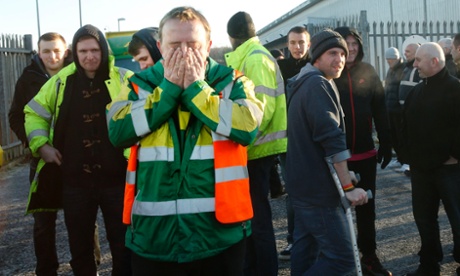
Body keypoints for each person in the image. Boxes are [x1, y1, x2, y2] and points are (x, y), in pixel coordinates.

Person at [106, 6, 264, 275]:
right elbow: (118, 132)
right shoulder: (138, 84)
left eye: (192, 44)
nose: (183, 52)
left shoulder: (232, 81)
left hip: (218, 238)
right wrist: (167, 91)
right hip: (154, 238)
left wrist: (196, 90)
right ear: (160, 45)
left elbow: (248, 127)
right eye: (174, 44)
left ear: (209, 45)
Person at [24, 24, 133, 276]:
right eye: (83, 51)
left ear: (103, 50)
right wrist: (42, 146)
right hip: (75, 181)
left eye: (95, 50)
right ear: (75, 52)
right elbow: (33, 113)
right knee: (79, 247)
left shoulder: (124, 78)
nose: (89, 56)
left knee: (123, 244)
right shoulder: (61, 81)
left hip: (117, 179)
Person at [285, 28, 368, 275]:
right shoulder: (317, 85)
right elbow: (331, 138)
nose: (340, 59)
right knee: (344, 262)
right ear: (317, 56)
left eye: (342, 54)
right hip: (318, 191)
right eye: (333, 53)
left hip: (302, 187)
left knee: (305, 251)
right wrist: (349, 188)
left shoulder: (304, 83)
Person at [226, 11, 287, 276]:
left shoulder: (255, 59)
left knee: (258, 221)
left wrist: (242, 140)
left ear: (231, 37)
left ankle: (265, 270)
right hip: (253, 150)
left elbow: (262, 110)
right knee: (249, 219)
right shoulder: (253, 56)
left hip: (256, 150)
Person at [8, 32, 71, 275]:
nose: (52, 56)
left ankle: (88, 265)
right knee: (44, 222)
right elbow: (15, 116)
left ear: (65, 52)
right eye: (46, 51)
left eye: (57, 50)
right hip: (42, 160)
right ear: (38, 52)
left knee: (82, 218)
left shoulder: (78, 75)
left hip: (75, 158)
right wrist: (36, 144)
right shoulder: (28, 79)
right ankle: (46, 270)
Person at [334, 26, 392, 276]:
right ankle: (342, 261)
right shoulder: (330, 74)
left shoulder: (368, 71)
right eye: (347, 43)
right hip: (337, 159)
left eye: (355, 42)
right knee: (337, 212)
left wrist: (387, 142)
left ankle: (369, 258)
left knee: (367, 211)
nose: (353, 47)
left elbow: (380, 109)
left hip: (365, 153)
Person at [402, 42, 460, 276]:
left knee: (458, 219)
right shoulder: (417, 91)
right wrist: (409, 157)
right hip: (421, 171)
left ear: (434, 62)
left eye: (418, 60)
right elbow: (406, 126)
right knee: (424, 219)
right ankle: (428, 265)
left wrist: (454, 157)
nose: (414, 64)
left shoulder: (456, 89)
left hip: (450, 170)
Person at [276, 25, 311, 261]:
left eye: (301, 42)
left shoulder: (315, 67)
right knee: (294, 193)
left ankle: (315, 239)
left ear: (308, 44)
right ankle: (293, 240)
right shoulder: (279, 68)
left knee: (316, 191)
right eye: (293, 43)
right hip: (288, 141)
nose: (297, 47)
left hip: (311, 139)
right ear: (287, 45)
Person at [398, 42, 422, 175]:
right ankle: (410, 164)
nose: (405, 53)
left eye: (408, 51)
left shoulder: (417, 70)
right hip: (404, 111)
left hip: (413, 112)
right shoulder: (407, 68)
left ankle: (413, 166)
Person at [383, 47, 406, 170]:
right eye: (387, 60)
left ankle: (405, 160)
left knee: (401, 136)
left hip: (398, 109)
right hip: (390, 108)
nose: (389, 62)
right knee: (394, 135)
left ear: (396, 58)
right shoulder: (390, 70)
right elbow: (388, 87)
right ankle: (399, 158)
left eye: (391, 59)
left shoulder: (403, 69)